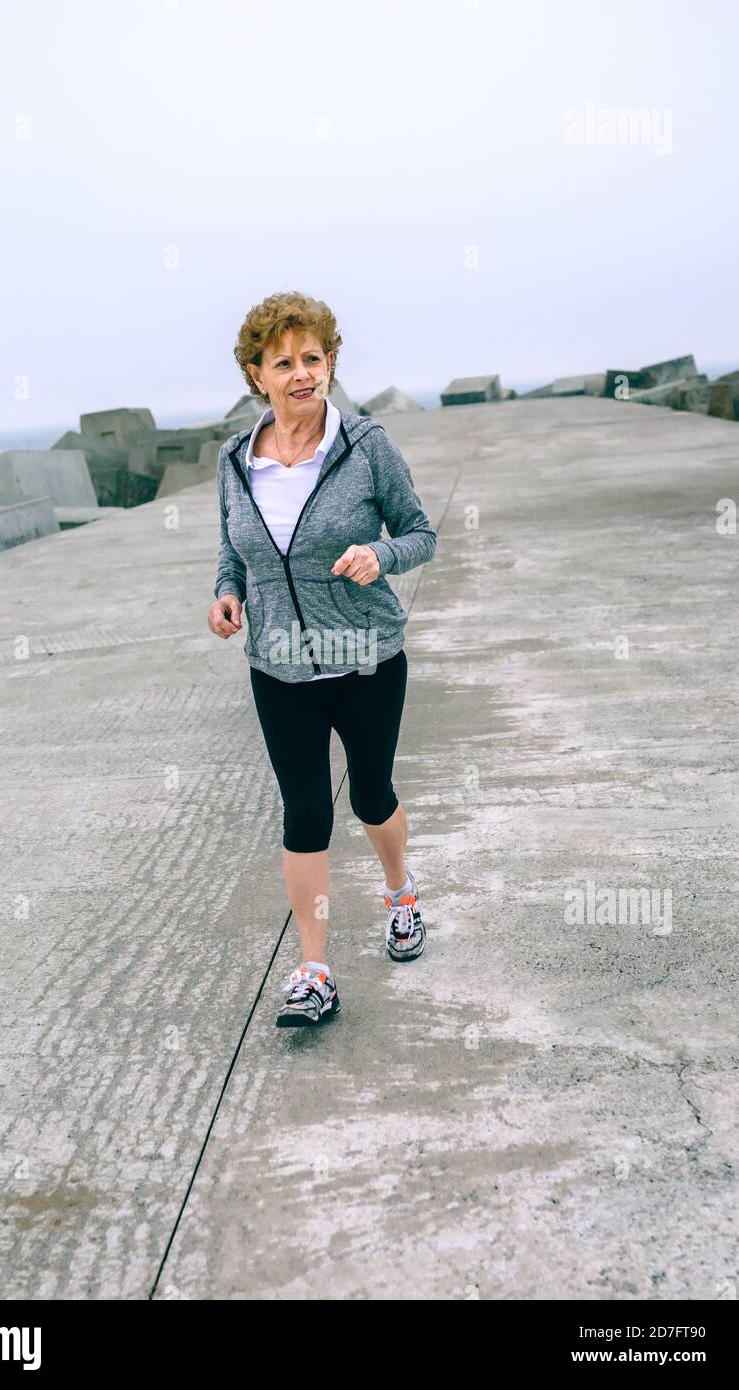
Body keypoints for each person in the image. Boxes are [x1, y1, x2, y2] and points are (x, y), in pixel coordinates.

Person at [207, 290, 437, 1028]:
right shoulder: (235, 462)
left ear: (330, 363)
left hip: (366, 659)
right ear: (257, 376)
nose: (302, 373)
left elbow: (419, 532)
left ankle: (400, 897)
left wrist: (381, 552)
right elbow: (231, 550)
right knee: (304, 813)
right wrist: (226, 593)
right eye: (285, 362)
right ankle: (314, 972)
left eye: (314, 358)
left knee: (371, 797)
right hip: (279, 668)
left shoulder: (366, 446)